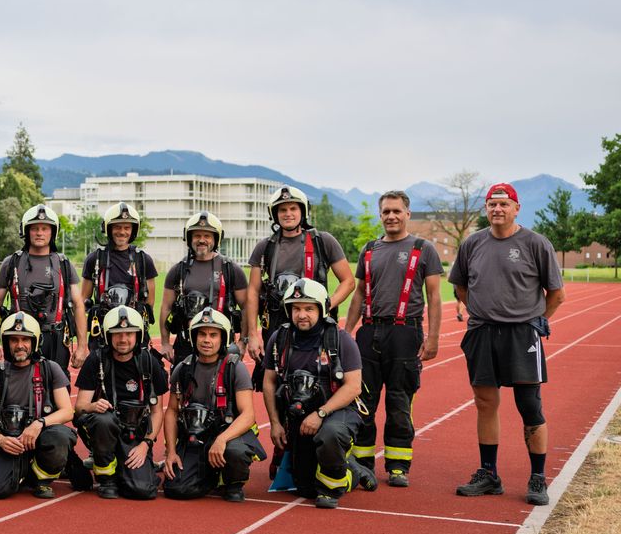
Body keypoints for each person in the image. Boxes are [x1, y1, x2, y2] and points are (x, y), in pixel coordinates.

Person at [451, 183, 565, 506]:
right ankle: (489, 474)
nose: (497, 209)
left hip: (522, 335)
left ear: (516, 208)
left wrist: (537, 320)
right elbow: (460, 286)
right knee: (485, 402)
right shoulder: (472, 244)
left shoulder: (535, 243)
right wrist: (478, 310)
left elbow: (557, 294)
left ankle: (538, 477)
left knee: (529, 404)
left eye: (504, 204)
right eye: (492, 204)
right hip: (482, 332)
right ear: (486, 209)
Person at [342, 190, 443, 486]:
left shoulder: (424, 249)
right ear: (380, 215)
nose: (391, 216)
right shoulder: (369, 249)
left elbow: (435, 297)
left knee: (399, 402)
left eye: (396, 211)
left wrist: (433, 338)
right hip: (369, 332)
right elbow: (359, 294)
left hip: (405, 333)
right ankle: (362, 463)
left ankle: (398, 465)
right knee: (363, 401)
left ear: (407, 214)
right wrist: (346, 333)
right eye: (386, 211)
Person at [261, 280, 366, 508]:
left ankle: (340, 483)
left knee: (330, 434)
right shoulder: (279, 338)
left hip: (335, 411)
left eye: (309, 308)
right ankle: (349, 466)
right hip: (300, 416)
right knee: (305, 487)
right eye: (296, 308)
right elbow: (268, 382)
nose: (302, 315)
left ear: (322, 309)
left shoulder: (340, 339)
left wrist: (320, 414)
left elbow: (353, 387)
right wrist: (275, 423)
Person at [246, 186, 355, 383]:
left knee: (319, 379)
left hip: (315, 324)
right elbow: (253, 291)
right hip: (277, 324)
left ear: (303, 211)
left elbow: (348, 281)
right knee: (276, 381)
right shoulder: (265, 247)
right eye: (282, 209)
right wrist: (253, 335)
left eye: (293, 209)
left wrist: (326, 305)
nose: (288, 214)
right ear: (274, 214)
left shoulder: (323, 241)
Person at [161, 307, 264, 502]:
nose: (206, 340)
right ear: (194, 337)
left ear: (223, 338)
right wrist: (171, 452)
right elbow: (172, 411)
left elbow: (248, 415)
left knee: (235, 451)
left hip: (227, 433)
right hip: (196, 435)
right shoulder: (183, 369)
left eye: (213, 335)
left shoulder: (235, 368)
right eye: (202, 334)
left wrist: (222, 440)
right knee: (177, 489)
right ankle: (210, 475)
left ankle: (233, 482)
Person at [0, 312, 75, 500]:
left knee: (60, 436)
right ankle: (21, 470)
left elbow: (68, 411)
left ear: (35, 342)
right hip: (9, 442)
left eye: (25, 339)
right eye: (14, 340)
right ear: (6, 343)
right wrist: (1, 440)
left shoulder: (50, 369)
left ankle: (40, 479)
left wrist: (39, 424)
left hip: (40, 438)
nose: (20, 345)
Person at [71, 305, 168, 500]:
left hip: (135, 434)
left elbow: (158, 412)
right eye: (117, 334)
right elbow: (80, 407)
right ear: (108, 336)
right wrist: (93, 406)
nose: (123, 339)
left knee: (142, 490)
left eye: (129, 334)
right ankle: (106, 478)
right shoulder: (96, 360)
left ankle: (128, 470)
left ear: (138, 335)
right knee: (103, 420)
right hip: (105, 430)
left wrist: (146, 444)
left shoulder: (149, 363)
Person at [0, 203, 87, 373]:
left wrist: (82, 346)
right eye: (34, 229)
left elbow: (78, 305)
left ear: (53, 232)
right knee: (17, 385)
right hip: (20, 337)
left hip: (55, 338)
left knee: (57, 385)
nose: (40, 233)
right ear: (26, 231)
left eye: (45, 228)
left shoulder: (63, 263)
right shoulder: (12, 263)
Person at [160, 211, 247, 364]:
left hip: (221, 343)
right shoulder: (178, 270)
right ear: (189, 238)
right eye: (197, 236)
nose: (202, 240)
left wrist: (243, 341)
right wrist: (165, 343)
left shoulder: (230, 269)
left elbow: (246, 307)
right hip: (186, 344)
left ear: (216, 239)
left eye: (207, 236)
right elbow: (166, 307)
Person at [82, 201, 159, 340]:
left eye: (127, 227)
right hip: (102, 330)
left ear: (133, 230)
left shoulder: (143, 259)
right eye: (117, 227)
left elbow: (150, 302)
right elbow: (83, 300)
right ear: (108, 228)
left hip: (134, 329)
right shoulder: (95, 259)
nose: (122, 232)